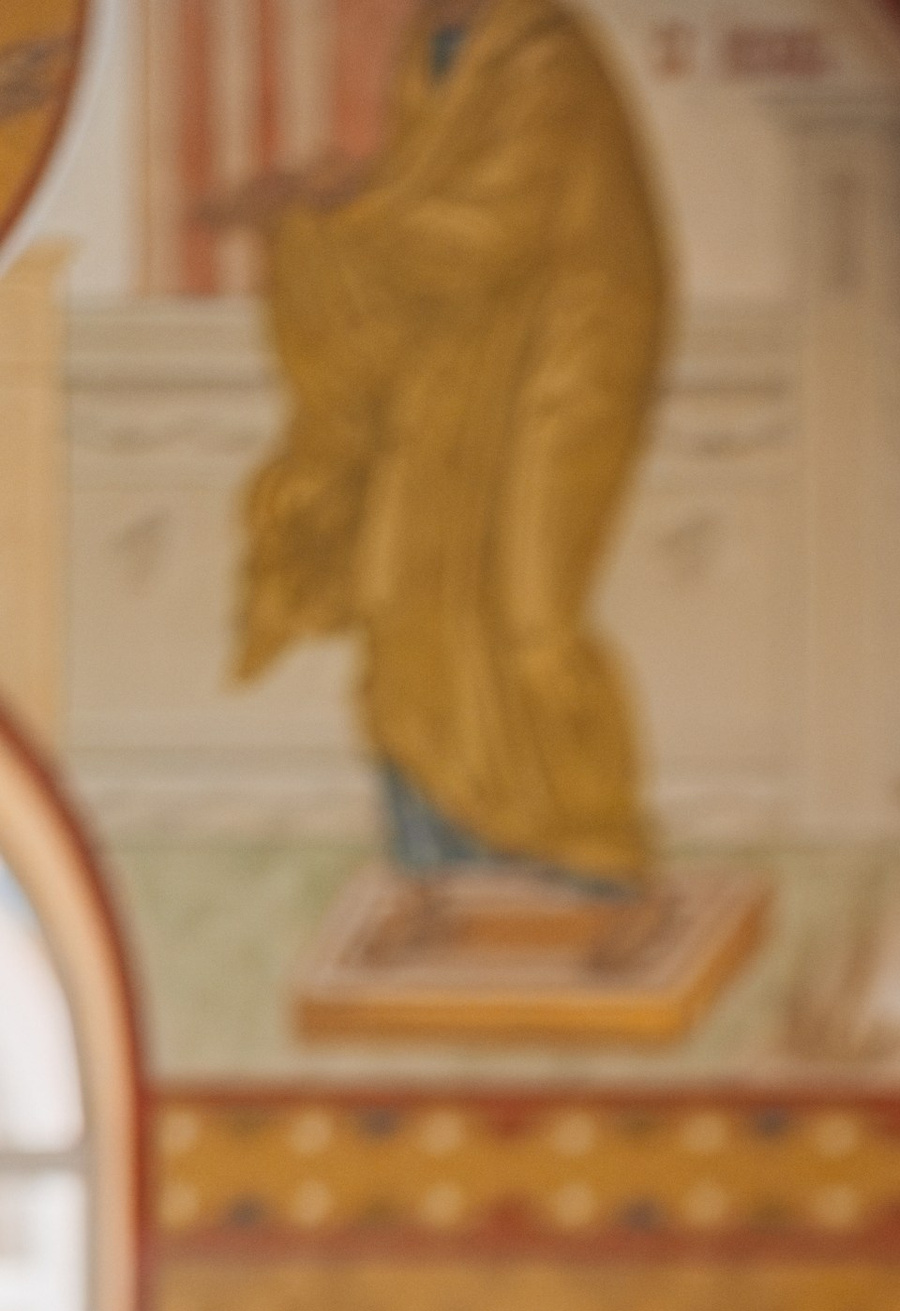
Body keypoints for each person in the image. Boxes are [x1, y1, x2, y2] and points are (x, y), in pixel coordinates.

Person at [228, 0, 667, 888]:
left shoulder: (547, 60)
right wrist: (333, 218)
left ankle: (582, 849)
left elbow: (492, 226)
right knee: (401, 587)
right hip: (455, 369)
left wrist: (337, 217)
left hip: (557, 370)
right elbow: (429, 212)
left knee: (528, 611)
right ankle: (441, 864)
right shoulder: (432, 53)